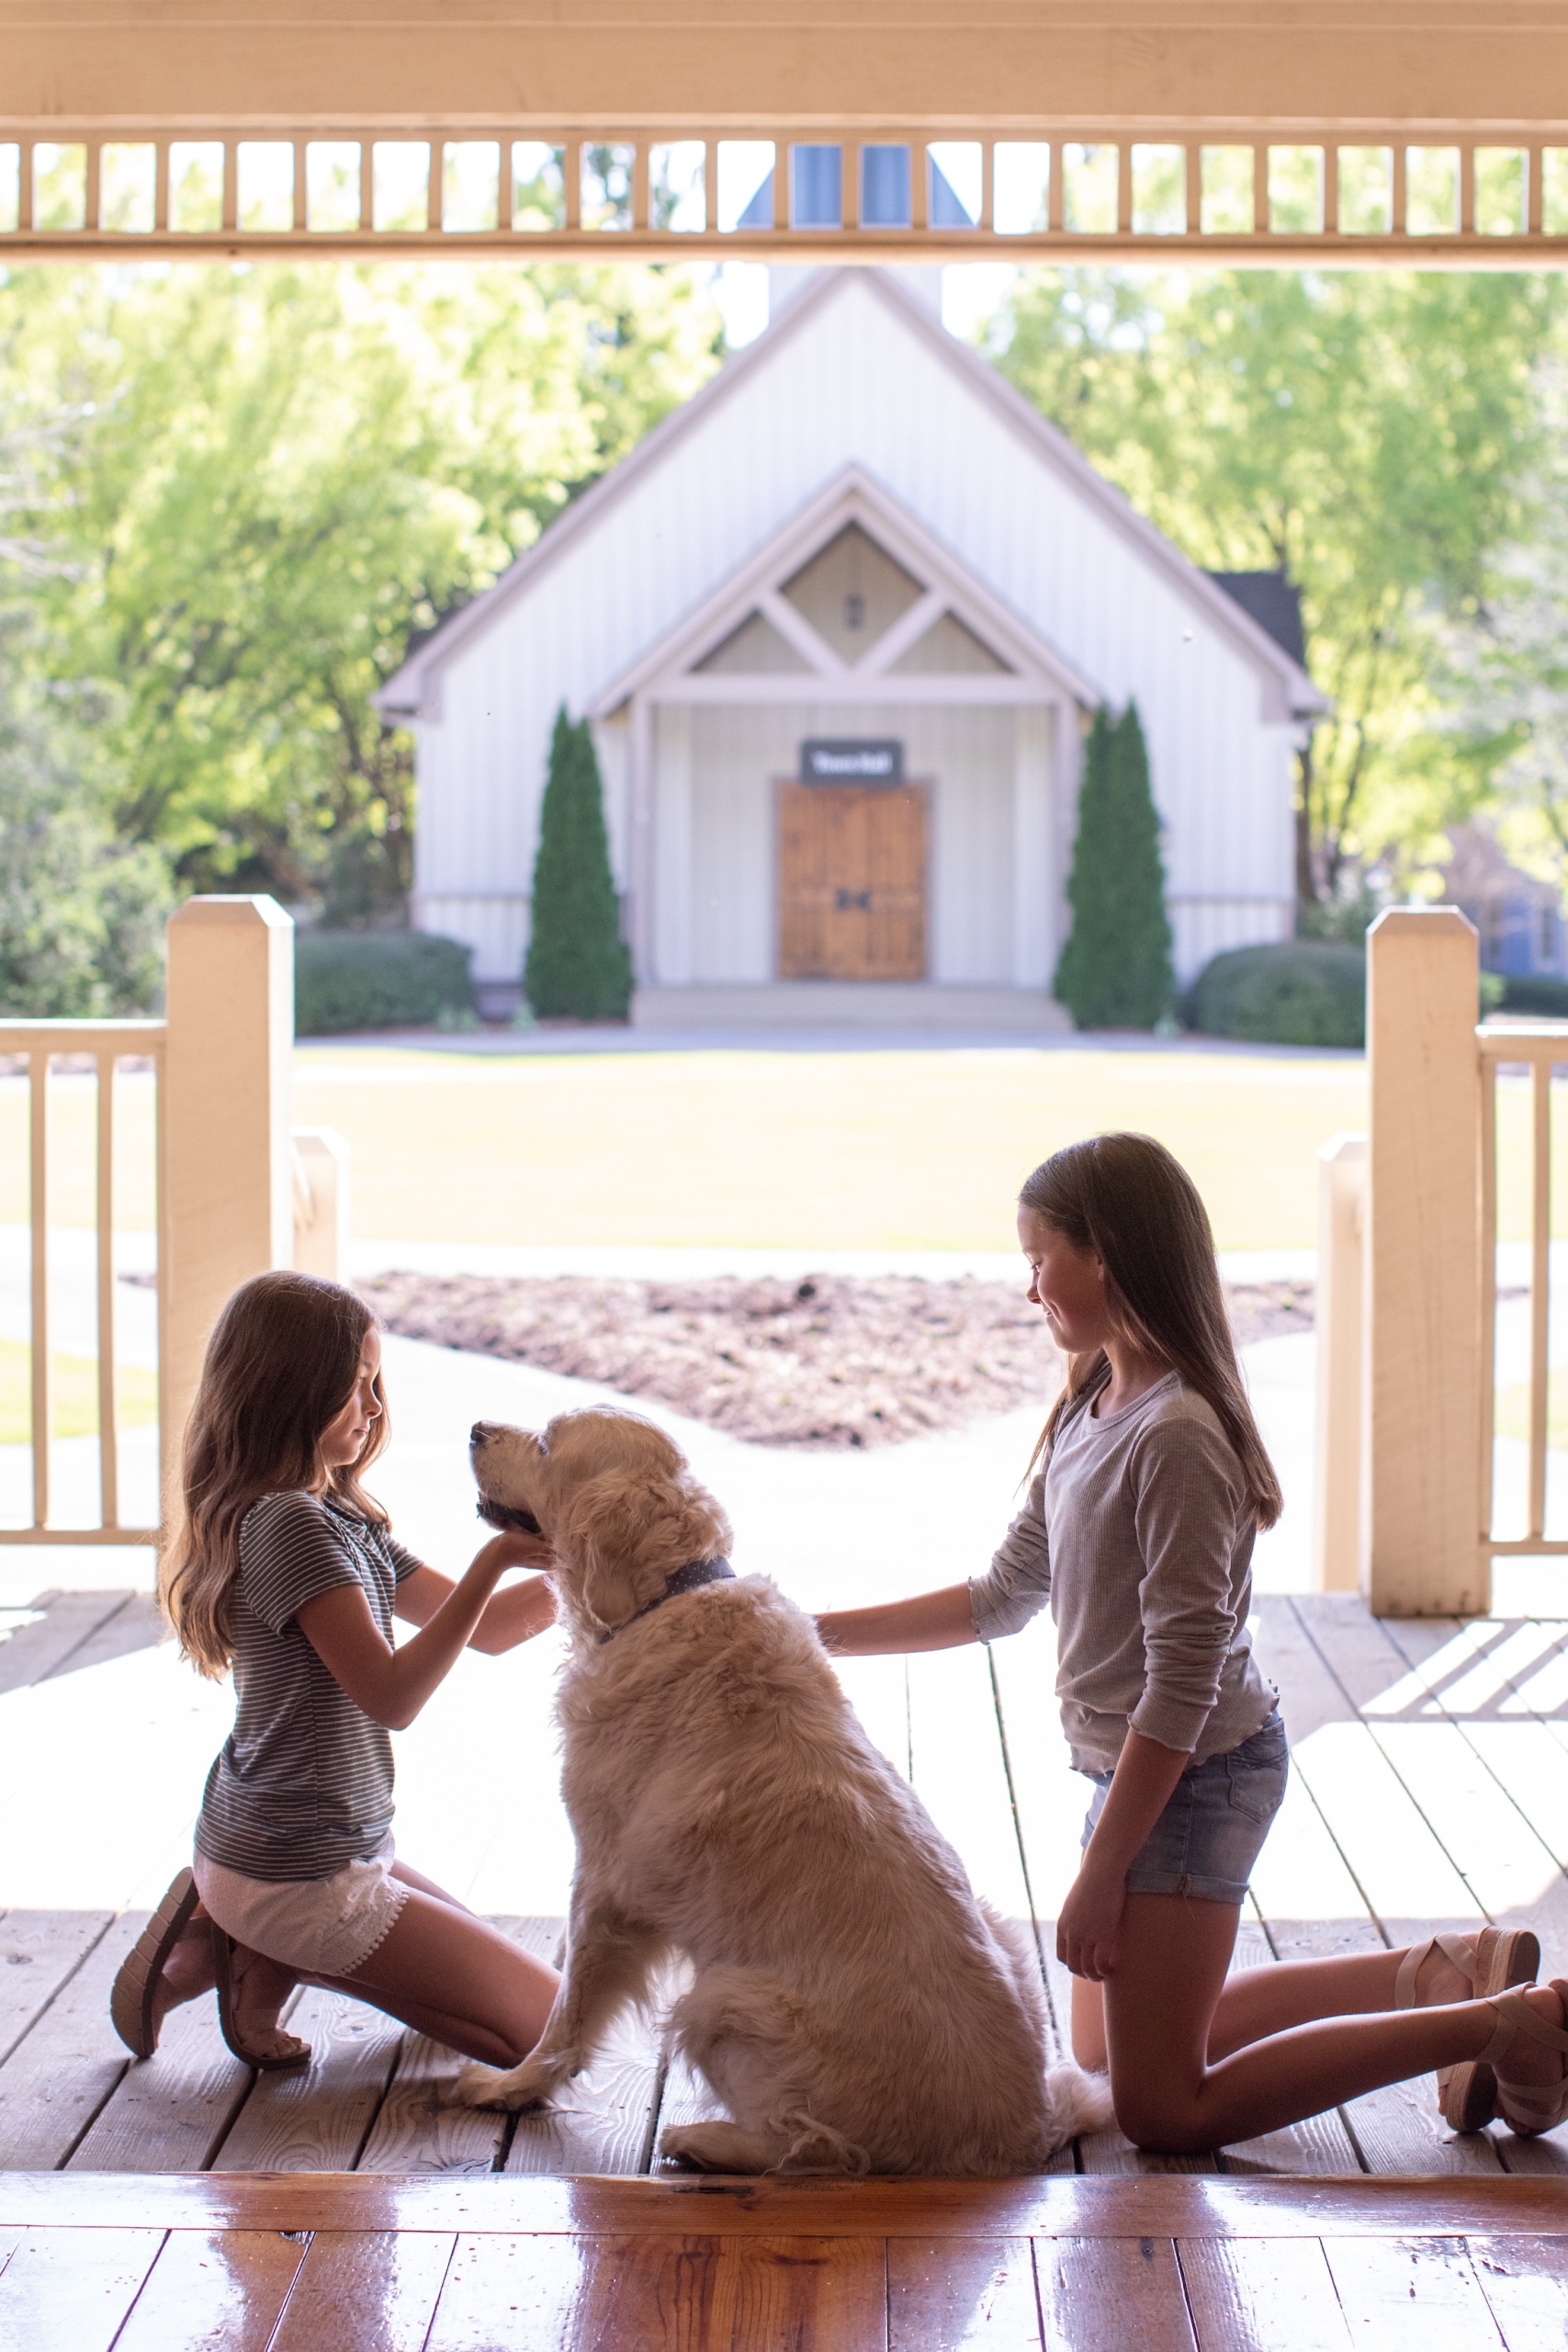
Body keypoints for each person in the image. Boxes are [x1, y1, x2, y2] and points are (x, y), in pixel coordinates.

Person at [817, 1133, 1568, 2152]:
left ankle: (1504, 2024)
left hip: (1192, 1775)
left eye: (1041, 1260)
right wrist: (805, 1636)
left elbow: (1181, 1684)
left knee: (1163, 2108)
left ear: (1110, 1252)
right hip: (1137, 1772)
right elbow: (1002, 1595)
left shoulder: (1175, 1437)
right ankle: (1437, 1971)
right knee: (1104, 2059)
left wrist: (1102, 1867)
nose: (1029, 1289)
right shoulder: (1092, 1402)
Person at [112, 1270, 559, 2072]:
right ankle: (245, 1942)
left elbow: (488, 1631)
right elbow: (391, 1698)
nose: (376, 1409)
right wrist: (496, 1557)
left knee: (543, 2007)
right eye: (352, 1389)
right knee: (542, 2038)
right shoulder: (288, 1521)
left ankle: (237, 1936)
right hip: (296, 1872)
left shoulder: (339, 1514)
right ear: (286, 1392)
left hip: (309, 1843)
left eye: (375, 1384)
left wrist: (594, 1565)